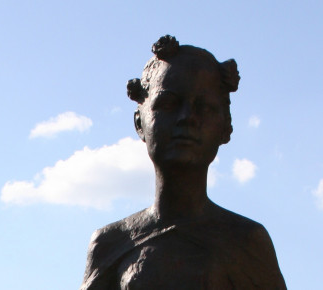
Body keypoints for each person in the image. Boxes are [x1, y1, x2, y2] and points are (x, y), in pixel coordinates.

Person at [80, 35, 286, 290]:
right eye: (168, 104)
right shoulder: (110, 244)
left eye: (204, 107)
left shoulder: (247, 241)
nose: (187, 118)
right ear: (139, 123)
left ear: (225, 126)